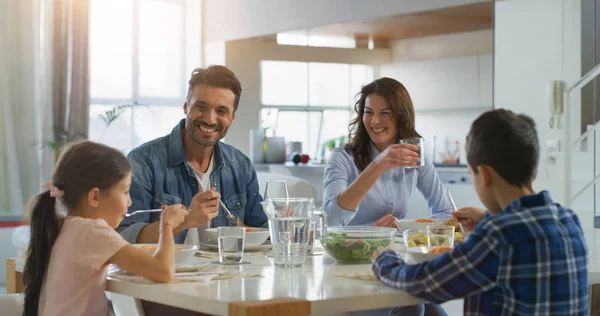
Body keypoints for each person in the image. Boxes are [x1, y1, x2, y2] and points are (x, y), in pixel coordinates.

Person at [372, 109, 589, 315]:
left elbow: (425, 282)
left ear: (484, 175)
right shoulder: (568, 221)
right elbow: (526, 233)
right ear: (534, 169)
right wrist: (488, 218)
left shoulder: (498, 235)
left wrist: (385, 260)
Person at [22, 141, 188, 316]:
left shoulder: (61, 226)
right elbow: (163, 272)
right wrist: (167, 225)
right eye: (125, 192)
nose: (130, 202)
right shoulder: (93, 231)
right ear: (95, 196)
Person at [117, 65, 267, 245]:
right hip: (166, 272)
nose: (210, 119)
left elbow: (260, 230)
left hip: (229, 272)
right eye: (201, 107)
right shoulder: (143, 162)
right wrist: (186, 219)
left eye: (221, 111)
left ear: (232, 118)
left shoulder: (241, 166)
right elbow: (124, 239)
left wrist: (285, 227)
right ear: (186, 107)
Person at [323, 77, 451, 229]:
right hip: (348, 248)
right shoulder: (342, 158)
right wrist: (377, 166)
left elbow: (445, 212)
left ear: (401, 117)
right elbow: (329, 221)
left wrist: (402, 226)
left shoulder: (414, 155)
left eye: (384, 113)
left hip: (394, 248)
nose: (374, 121)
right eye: (368, 112)